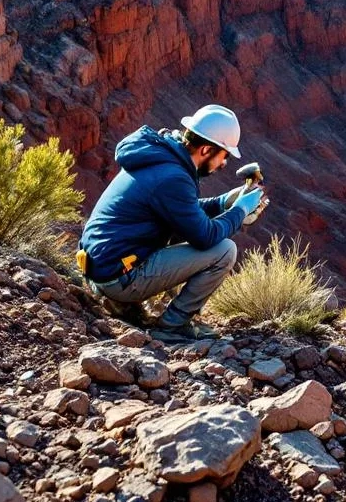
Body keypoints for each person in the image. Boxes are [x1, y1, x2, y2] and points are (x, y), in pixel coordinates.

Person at [78, 104, 266, 339]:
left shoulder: (160, 157)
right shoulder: (174, 177)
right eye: (224, 155)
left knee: (183, 229)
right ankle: (173, 325)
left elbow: (183, 210)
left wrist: (223, 202)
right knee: (224, 251)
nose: (224, 163)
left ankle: (121, 302)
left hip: (101, 267)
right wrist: (240, 211)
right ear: (207, 150)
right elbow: (205, 236)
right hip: (117, 278)